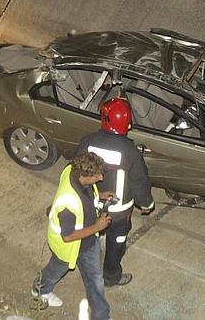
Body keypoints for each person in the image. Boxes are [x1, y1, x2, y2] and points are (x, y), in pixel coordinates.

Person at [76, 97, 154, 287]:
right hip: (118, 214)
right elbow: (139, 182)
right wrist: (147, 204)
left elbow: (75, 170)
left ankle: (87, 270)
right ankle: (111, 276)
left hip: (91, 205)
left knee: (87, 237)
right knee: (117, 243)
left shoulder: (88, 141)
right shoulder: (129, 150)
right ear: (128, 123)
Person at [32, 152, 112, 320]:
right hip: (69, 246)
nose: (101, 178)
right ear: (85, 175)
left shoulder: (72, 170)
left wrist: (100, 195)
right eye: (97, 176)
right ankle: (40, 290)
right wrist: (98, 226)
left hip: (89, 242)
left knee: (95, 280)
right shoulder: (68, 202)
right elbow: (68, 237)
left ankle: (101, 317)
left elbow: (87, 191)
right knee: (56, 270)